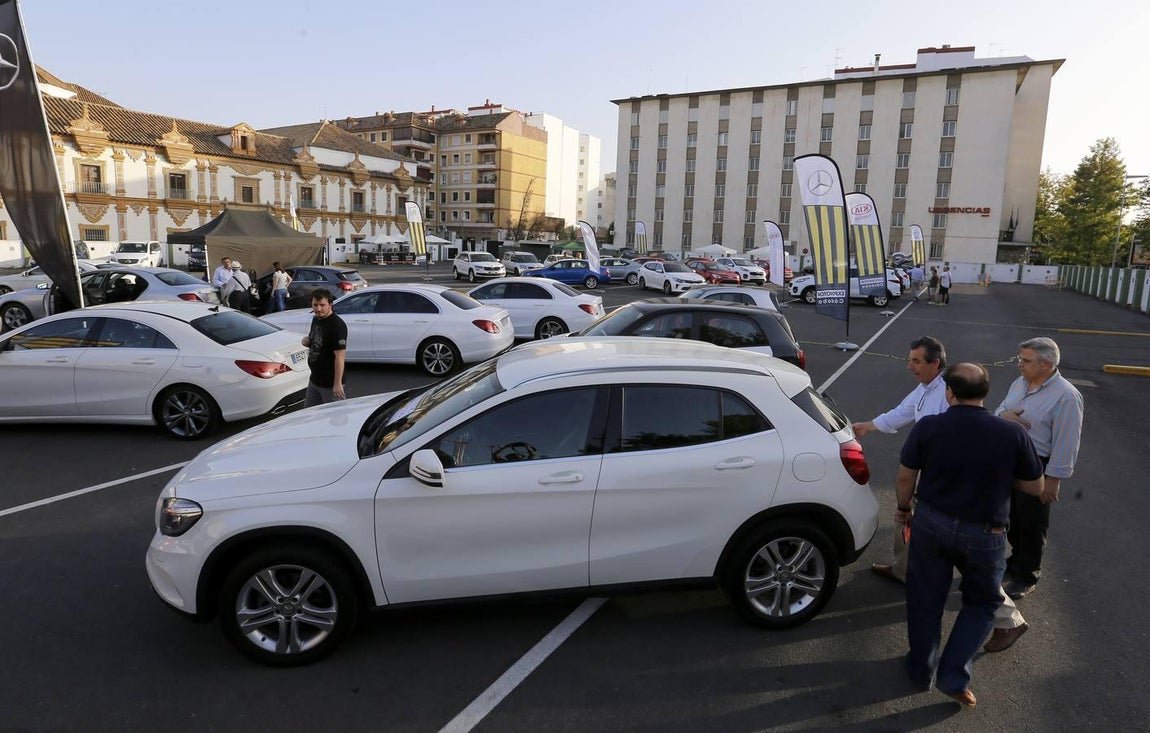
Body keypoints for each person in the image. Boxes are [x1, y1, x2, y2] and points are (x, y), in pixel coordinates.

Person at [898, 363, 1045, 707]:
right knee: (981, 603)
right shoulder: (1011, 434)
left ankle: (921, 669)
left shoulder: (929, 426)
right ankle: (953, 676)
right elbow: (1035, 486)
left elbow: (906, 476)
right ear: (985, 393)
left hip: (931, 523)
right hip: (984, 533)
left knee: (925, 598)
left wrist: (904, 508)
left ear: (949, 392)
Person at [852, 336, 948, 582]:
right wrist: (866, 427)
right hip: (925, 468)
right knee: (910, 519)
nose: (909, 366)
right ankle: (904, 570)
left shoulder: (948, 392)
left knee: (922, 519)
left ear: (935, 363)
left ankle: (926, 575)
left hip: (939, 472)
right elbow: (902, 412)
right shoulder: (925, 387)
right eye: (909, 360)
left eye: (916, 361)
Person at [994, 337, 1084, 601]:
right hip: (1009, 460)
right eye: (1019, 359)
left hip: (1036, 465)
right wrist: (1005, 416)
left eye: (1026, 360)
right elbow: (1001, 408)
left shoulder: (1066, 396)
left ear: (1046, 364)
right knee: (1011, 517)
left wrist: (1053, 479)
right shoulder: (1019, 383)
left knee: (1032, 523)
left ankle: (1027, 575)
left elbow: (1067, 441)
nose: (1019, 364)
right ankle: (1016, 559)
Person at [302, 288, 347, 407]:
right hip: (315, 379)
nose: (318, 309)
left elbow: (340, 356)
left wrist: (337, 383)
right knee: (309, 413)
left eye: (322, 305)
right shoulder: (316, 318)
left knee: (336, 415)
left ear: (330, 305)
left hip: (330, 384)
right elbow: (317, 339)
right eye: (315, 305)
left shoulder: (337, 325)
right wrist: (307, 340)